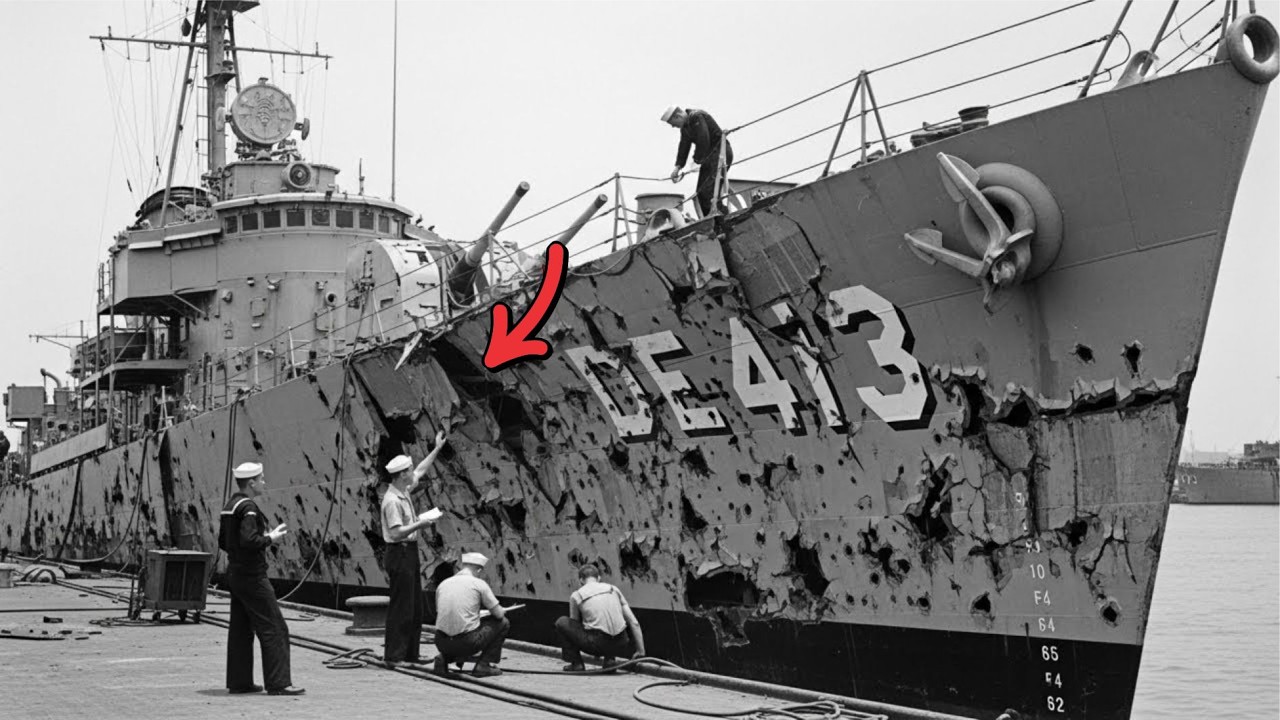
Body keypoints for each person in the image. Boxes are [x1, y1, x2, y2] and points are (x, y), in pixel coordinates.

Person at [218, 462, 305, 696]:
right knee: (274, 627)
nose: (264, 483)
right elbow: (249, 540)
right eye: (261, 479)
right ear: (252, 483)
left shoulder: (229, 506)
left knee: (240, 628)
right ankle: (279, 683)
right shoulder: (249, 508)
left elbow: (223, 542)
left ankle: (239, 681)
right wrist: (270, 538)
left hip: (235, 573)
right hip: (252, 575)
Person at [380, 429, 449, 666]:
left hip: (408, 552)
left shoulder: (403, 490)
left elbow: (421, 470)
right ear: (400, 476)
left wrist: (437, 448)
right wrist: (421, 522)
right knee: (401, 606)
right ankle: (394, 655)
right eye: (408, 471)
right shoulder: (391, 501)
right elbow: (397, 532)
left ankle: (411, 653)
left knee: (415, 606)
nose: (412, 472)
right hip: (398, 553)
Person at [433, 552, 514, 677]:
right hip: (466, 643)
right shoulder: (479, 584)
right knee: (503, 623)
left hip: (441, 642)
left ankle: (444, 658)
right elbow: (498, 614)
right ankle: (484, 665)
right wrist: (500, 610)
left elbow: (443, 613)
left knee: (458, 626)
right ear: (479, 569)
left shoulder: (443, 584)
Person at [554, 563, 646, 671]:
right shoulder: (613, 589)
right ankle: (610, 661)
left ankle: (576, 663)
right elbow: (634, 622)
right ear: (598, 578)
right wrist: (641, 651)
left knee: (562, 622)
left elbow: (574, 625)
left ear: (581, 580)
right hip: (621, 643)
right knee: (613, 623)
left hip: (598, 643)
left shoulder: (577, 595)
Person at [662, 105, 735, 218]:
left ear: (678, 116)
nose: (672, 126)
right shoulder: (686, 127)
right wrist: (678, 167)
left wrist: (697, 159)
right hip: (709, 158)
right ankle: (715, 221)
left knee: (707, 192)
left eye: (672, 123)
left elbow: (703, 138)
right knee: (701, 194)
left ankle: (722, 219)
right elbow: (684, 147)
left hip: (720, 153)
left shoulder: (696, 116)